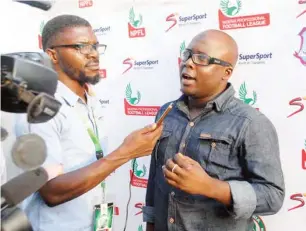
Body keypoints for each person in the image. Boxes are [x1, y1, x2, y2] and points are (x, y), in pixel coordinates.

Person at [14, 14, 163, 231]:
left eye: (94, 46)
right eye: (81, 46)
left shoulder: (91, 99)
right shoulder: (40, 109)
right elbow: (51, 191)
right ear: (52, 55)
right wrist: (126, 152)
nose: (93, 54)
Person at [143, 29, 285, 231]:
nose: (189, 62)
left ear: (226, 72)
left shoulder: (250, 123)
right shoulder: (167, 113)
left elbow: (273, 196)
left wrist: (212, 187)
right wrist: (151, 223)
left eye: (201, 58)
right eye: (187, 54)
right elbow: (155, 178)